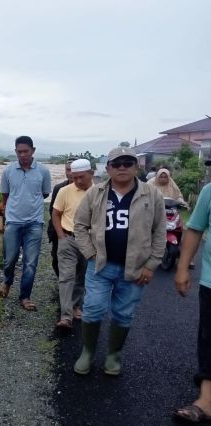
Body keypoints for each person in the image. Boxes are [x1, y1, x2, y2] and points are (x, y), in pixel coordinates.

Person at [73, 147, 166, 375]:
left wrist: (151, 264)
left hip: (135, 268)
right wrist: (90, 253)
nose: (122, 167)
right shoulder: (95, 193)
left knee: (124, 313)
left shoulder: (151, 195)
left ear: (137, 166)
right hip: (100, 265)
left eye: (127, 163)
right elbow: (80, 225)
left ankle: (113, 355)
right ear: (108, 168)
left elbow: (160, 231)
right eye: (117, 164)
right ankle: (88, 352)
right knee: (93, 308)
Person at [0, 135, 51, 311]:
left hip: (34, 223)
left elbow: (44, 194)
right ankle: (7, 281)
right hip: (13, 221)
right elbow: (5, 195)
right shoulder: (8, 171)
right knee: (9, 259)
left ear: (33, 150)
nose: (22, 155)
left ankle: (25, 296)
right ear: (15, 152)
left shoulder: (43, 171)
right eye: (19, 152)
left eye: (26, 151)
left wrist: (30, 202)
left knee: (31, 262)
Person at [173, 182, 211, 423]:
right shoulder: (209, 191)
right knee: (209, 337)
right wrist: (182, 268)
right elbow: (195, 229)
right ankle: (207, 400)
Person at [52, 158, 94, 329]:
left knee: (81, 277)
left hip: (89, 242)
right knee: (66, 277)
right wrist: (61, 236)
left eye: (81, 177)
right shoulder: (64, 191)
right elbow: (55, 214)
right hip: (68, 239)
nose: (76, 181)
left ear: (91, 174)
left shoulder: (100, 192)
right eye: (74, 177)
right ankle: (66, 316)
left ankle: (76, 305)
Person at [49, 159, 75, 277]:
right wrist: (58, 232)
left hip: (78, 232)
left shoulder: (90, 189)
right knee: (56, 259)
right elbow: (52, 211)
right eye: (67, 170)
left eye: (73, 170)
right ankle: (62, 282)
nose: (70, 173)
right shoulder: (59, 188)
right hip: (60, 231)